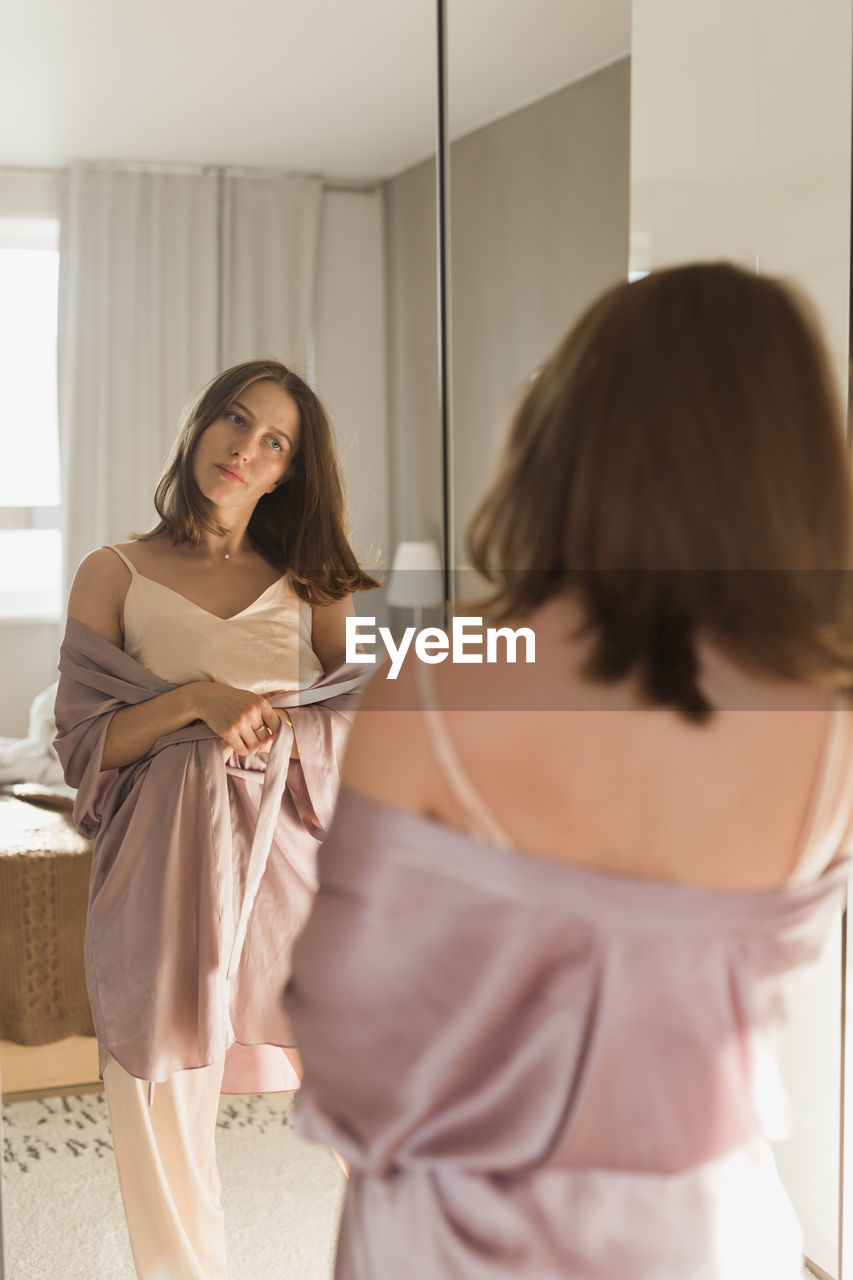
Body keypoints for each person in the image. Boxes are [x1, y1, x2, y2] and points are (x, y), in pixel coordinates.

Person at [284, 264, 853, 1280]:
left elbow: (339, 1028)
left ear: (574, 416)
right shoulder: (828, 721)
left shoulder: (447, 675)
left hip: (457, 1238)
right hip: (703, 1231)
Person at [53, 358, 375, 1280]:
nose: (246, 448)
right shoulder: (113, 572)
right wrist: (197, 697)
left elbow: (358, 715)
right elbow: (86, 743)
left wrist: (273, 723)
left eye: (274, 441)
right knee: (159, 1096)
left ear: (286, 473)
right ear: (202, 427)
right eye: (236, 421)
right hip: (165, 862)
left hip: (288, 855)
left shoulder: (310, 578)